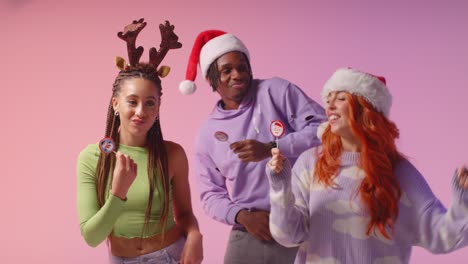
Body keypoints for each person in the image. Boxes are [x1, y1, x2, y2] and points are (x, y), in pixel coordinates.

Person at [267, 67, 468, 263]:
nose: (330, 106)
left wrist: (463, 199)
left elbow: (443, 236)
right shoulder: (310, 163)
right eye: (329, 100)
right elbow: (286, 235)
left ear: (366, 108)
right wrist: (280, 185)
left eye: (341, 98)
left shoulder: (399, 172)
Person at [178, 30, 326, 263]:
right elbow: (210, 195)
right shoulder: (207, 134)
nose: (237, 74)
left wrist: (271, 147)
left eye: (242, 67)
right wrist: (242, 216)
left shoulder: (276, 91)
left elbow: (324, 130)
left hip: (302, 221)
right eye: (226, 70)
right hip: (253, 230)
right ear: (210, 78)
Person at [76, 19, 203, 264]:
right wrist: (118, 193)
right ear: (116, 104)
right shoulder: (92, 158)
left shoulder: (173, 154)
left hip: (169, 256)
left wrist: (195, 235)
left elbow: (185, 213)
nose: (141, 111)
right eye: (132, 101)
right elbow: (92, 237)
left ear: (158, 107)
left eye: (150, 103)